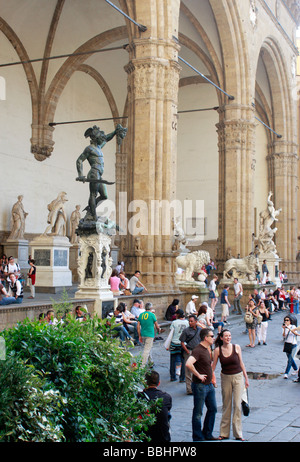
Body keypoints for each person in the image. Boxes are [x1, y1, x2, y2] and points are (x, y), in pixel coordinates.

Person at [76, 124, 126, 221]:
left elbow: (106, 139)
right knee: (93, 194)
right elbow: (79, 160)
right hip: (94, 172)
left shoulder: (98, 147)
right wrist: (80, 175)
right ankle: (94, 217)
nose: (102, 139)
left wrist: (115, 132)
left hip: (99, 174)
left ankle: (91, 209)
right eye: (100, 138)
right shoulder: (89, 149)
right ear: (95, 138)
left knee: (104, 196)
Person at [212, 329, 249, 441]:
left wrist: (246, 378)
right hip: (225, 378)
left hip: (238, 377)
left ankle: (238, 433)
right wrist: (211, 378)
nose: (228, 338)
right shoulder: (217, 350)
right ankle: (224, 432)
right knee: (226, 404)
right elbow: (213, 366)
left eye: (230, 336)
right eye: (226, 336)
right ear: (222, 338)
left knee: (237, 405)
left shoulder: (236, 347)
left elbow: (241, 363)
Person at [186, 328, 218, 441]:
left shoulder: (207, 348)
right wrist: (198, 375)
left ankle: (207, 433)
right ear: (206, 338)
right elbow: (188, 364)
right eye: (211, 336)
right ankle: (198, 437)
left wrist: (213, 378)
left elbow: (209, 365)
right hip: (200, 385)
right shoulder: (198, 350)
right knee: (198, 412)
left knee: (213, 409)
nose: (213, 338)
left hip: (209, 385)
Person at [140, 371, 172, 442]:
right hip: (162, 436)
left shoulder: (139, 396)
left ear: (145, 382)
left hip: (144, 435)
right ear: (159, 383)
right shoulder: (166, 397)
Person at [180, 315, 202, 395]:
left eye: (191, 321)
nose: (190, 322)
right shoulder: (186, 331)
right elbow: (182, 342)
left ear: (196, 321)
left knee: (198, 369)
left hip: (197, 352)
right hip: (189, 351)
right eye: (189, 321)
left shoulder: (200, 330)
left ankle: (197, 386)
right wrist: (187, 351)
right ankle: (189, 389)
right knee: (188, 370)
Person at [137, 302, 161, 366]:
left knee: (148, 348)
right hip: (150, 334)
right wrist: (159, 330)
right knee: (146, 350)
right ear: (151, 308)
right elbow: (157, 325)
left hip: (143, 334)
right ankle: (142, 365)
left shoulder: (141, 315)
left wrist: (139, 335)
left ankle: (151, 361)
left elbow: (138, 326)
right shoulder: (152, 315)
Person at [168, 309, 189, 382]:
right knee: (183, 360)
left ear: (177, 315)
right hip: (183, 344)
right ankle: (182, 377)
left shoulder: (174, 322)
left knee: (173, 360)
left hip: (174, 342)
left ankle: (173, 376)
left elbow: (171, 332)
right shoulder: (187, 322)